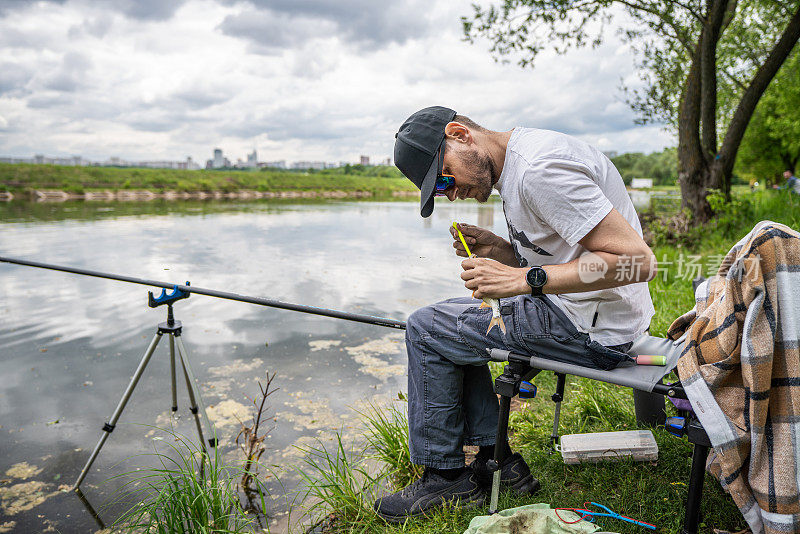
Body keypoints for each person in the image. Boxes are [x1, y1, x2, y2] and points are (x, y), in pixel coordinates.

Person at [373, 106, 656, 522]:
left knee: (426, 328)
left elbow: (637, 262)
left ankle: (447, 475)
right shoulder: (519, 162)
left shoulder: (539, 172)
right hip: (587, 312)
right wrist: (500, 251)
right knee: (447, 323)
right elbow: (562, 254)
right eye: (441, 191)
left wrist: (524, 281)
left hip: (590, 329)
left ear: (460, 134)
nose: (451, 194)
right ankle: (497, 459)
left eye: (446, 178)